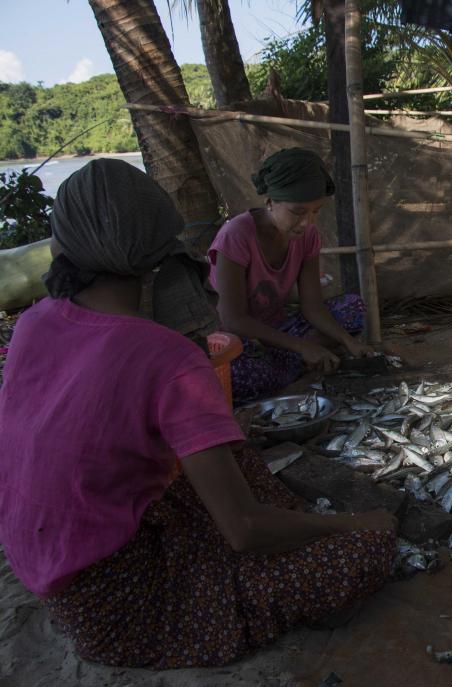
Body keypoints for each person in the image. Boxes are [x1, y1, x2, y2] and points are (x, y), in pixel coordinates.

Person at [0, 159, 396, 669]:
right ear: (160, 248)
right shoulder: (168, 356)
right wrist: (357, 522)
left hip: (47, 564)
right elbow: (245, 531)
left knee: (240, 455)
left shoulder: (33, 322)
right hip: (116, 606)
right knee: (364, 549)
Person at [209, 147, 376, 403]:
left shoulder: (308, 237)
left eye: (316, 211)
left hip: (278, 329)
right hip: (238, 341)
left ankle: (292, 363)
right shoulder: (236, 235)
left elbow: (312, 306)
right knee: (240, 375)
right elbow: (232, 319)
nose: (307, 223)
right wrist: (302, 347)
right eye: (298, 212)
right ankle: (298, 362)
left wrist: (349, 343)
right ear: (270, 202)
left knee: (353, 307)